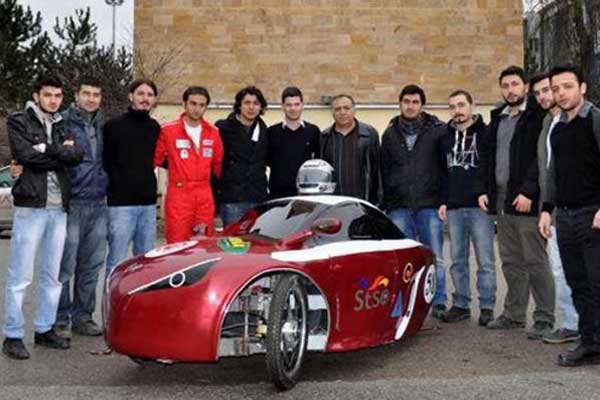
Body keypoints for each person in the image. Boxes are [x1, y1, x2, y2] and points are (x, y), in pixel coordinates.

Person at [2, 76, 83, 359]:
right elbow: (25, 156)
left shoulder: (63, 124)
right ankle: (13, 335)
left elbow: (77, 155)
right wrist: (60, 154)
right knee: (20, 276)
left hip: (59, 210)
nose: (53, 100)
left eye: (58, 96)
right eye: (48, 95)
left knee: (52, 275)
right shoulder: (19, 121)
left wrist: (46, 149)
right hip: (31, 208)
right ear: (36, 96)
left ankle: (44, 329)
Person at [476, 66, 555, 336]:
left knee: (535, 260)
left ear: (525, 88)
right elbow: (487, 158)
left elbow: (539, 159)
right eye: (505, 85)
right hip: (501, 200)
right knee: (510, 261)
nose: (510, 90)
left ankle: (544, 318)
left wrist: (529, 192)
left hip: (526, 201)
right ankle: (514, 314)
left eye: (515, 84)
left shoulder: (537, 116)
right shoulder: (497, 118)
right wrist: (484, 190)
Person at [539, 64, 600, 366]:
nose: (561, 93)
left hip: (593, 215)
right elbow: (553, 172)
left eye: (567, 86)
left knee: (597, 283)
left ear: (583, 88)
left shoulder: (595, 120)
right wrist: (546, 209)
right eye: (556, 88)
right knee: (578, 283)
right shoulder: (558, 127)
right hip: (564, 217)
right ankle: (590, 344)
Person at [380, 85, 447, 318]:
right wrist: (387, 202)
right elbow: (384, 170)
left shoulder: (438, 131)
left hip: (429, 205)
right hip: (399, 207)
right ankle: (404, 303)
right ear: (400, 103)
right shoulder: (389, 134)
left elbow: (444, 167)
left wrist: (442, 199)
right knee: (402, 260)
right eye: (406, 101)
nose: (410, 106)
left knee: (434, 257)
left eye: (415, 102)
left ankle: (439, 301)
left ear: (422, 105)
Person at [53, 76, 108, 338]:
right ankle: (60, 319)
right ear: (76, 95)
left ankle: (83, 317)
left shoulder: (105, 125)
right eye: (86, 93)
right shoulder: (61, 123)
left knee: (91, 265)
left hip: (99, 203)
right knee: (65, 265)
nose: (91, 99)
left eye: (96, 94)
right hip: (72, 203)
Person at [439, 90, 497, 326]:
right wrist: (443, 200)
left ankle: (487, 306)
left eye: (461, 105)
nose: (457, 111)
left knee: (485, 261)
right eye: (453, 106)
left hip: (479, 207)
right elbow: (441, 172)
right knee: (457, 260)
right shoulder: (444, 137)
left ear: (472, 106)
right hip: (454, 207)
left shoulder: (486, 133)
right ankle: (461, 304)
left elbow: (492, 167)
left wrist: (488, 193)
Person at [530, 72, 580, 344]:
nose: (545, 96)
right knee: (560, 270)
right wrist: (546, 210)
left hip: (581, 210)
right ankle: (572, 323)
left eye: (548, 90)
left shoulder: (582, 121)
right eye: (538, 93)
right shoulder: (548, 123)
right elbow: (547, 173)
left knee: (585, 270)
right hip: (553, 211)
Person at [103, 78, 161, 274]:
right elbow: (104, 161)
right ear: (131, 96)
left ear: (154, 100)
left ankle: (140, 295)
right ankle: (110, 294)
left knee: (146, 262)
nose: (145, 98)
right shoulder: (113, 126)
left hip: (148, 204)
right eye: (141, 94)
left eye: (150, 95)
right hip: (121, 205)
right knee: (116, 262)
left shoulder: (155, 128)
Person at [155, 86, 224, 243]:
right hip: (179, 194)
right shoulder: (168, 130)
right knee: (177, 243)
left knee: (203, 244)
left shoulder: (213, 132)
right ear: (184, 104)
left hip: (204, 194)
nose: (197, 109)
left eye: (201, 105)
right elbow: (155, 159)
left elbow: (218, 165)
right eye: (193, 103)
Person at [216, 86, 269, 225]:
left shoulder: (265, 131)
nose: (251, 107)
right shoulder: (223, 128)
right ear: (239, 106)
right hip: (232, 199)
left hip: (258, 198)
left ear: (261, 107)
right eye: (247, 103)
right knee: (233, 238)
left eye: (256, 103)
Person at [320, 94, 380, 204]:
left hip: (362, 202)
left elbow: (378, 170)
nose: (342, 112)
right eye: (338, 109)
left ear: (354, 110)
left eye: (346, 108)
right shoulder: (325, 137)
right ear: (332, 112)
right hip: (333, 203)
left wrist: (378, 201)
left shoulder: (369, 134)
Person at [267, 86, 320, 199]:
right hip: (277, 195)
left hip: (306, 194)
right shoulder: (272, 132)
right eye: (289, 105)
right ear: (282, 106)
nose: (293, 108)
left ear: (302, 105)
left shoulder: (313, 131)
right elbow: (267, 160)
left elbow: (318, 160)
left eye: (296, 104)